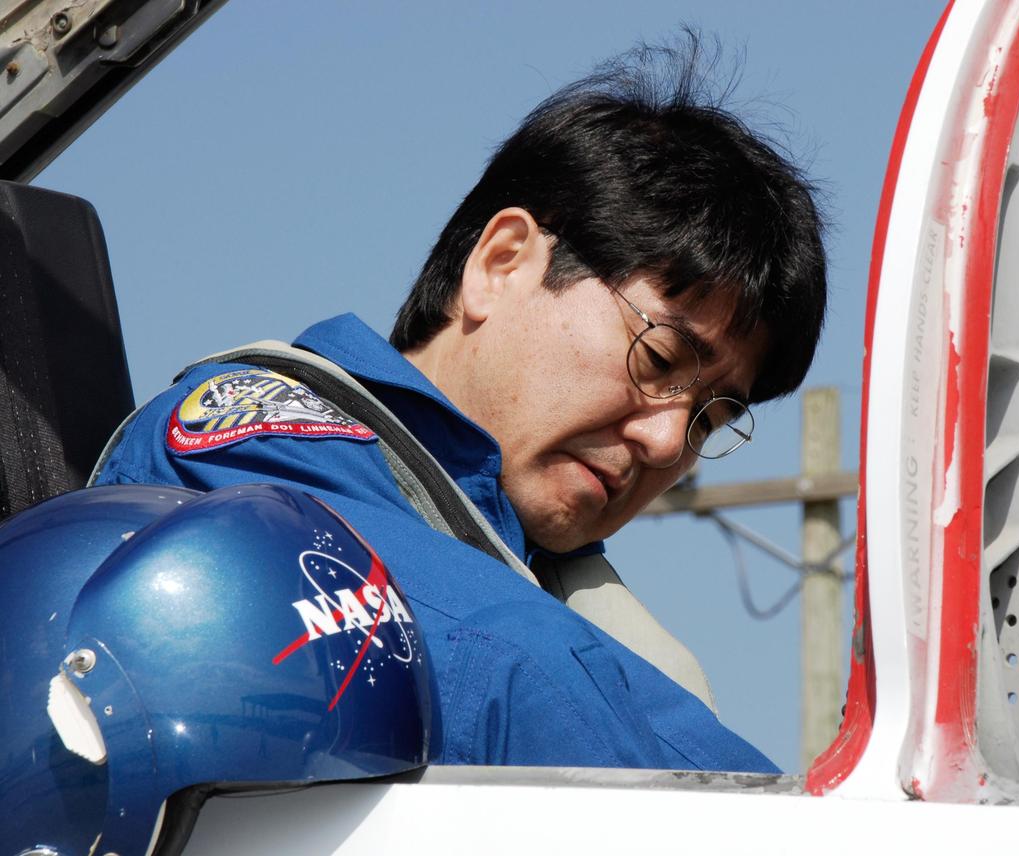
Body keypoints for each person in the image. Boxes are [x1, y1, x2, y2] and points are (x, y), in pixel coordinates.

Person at [94, 34, 827, 772]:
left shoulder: (585, 622)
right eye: (660, 358)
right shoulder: (248, 449)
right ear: (501, 264)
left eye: (708, 419)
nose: (668, 444)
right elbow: (487, 657)